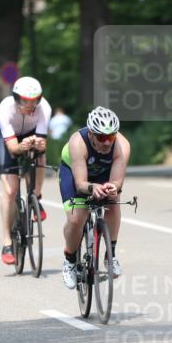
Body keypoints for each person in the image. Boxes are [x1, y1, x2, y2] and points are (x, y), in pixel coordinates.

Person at [58, 106, 130, 289]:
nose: (107, 143)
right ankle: (70, 261)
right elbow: (81, 184)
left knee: (113, 202)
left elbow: (117, 181)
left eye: (111, 137)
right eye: (101, 137)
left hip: (103, 173)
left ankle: (111, 255)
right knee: (76, 219)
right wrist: (93, 188)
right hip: (75, 173)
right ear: (90, 134)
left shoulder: (122, 145)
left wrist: (113, 186)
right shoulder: (77, 143)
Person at [0, 76, 52, 265]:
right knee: (10, 191)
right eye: (25, 101)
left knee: (40, 157)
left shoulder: (45, 109)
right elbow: (12, 148)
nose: (30, 104)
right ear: (16, 98)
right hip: (9, 139)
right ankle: (6, 243)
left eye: (34, 100)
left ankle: (36, 195)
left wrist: (37, 144)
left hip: (31, 134)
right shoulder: (4, 110)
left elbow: (43, 145)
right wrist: (22, 146)